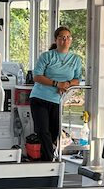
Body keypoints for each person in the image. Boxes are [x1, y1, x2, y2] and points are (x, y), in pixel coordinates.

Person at [30, 26, 83, 161]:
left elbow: (77, 79)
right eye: (61, 37)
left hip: (58, 100)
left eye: (67, 38)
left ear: (71, 40)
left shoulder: (76, 59)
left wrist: (67, 85)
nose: (65, 40)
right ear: (56, 40)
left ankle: (45, 158)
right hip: (40, 98)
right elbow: (37, 76)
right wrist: (56, 84)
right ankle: (49, 161)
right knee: (43, 130)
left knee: (54, 133)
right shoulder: (47, 56)